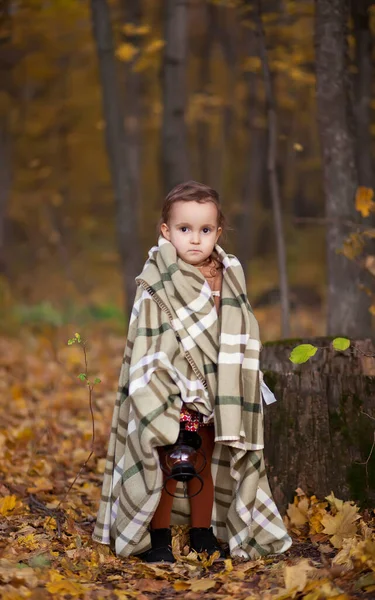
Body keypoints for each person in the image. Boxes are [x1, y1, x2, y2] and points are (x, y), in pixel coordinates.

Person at [92, 181, 292, 563]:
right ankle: (160, 539)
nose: (195, 240)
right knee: (167, 462)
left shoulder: (228, 274)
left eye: (205, 230)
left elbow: (238, 327)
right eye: (185, 229)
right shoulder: (156, 279)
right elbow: (147, 340)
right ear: (166, 232)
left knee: (203, 462)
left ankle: (204, 535)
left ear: (218, 232)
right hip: (169, 385)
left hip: (216, 388)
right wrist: (161, 383)